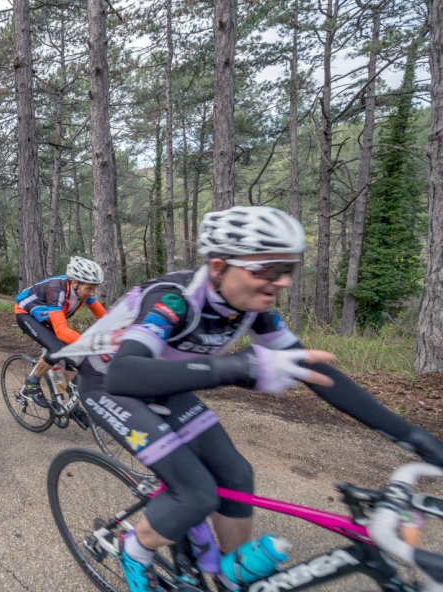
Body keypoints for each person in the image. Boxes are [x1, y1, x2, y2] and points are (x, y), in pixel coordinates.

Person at [58, 206, 443, 592]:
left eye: (288, 268)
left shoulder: (253, 311)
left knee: (237, 475)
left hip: (166, 386)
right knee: (194, 492)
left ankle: (230, 575)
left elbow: (319, 376)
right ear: (220, 266)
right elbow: (127, 374)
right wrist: (240, 367)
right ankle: (134, 548)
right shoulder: (173, 301)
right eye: (269, 269)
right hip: (111, 386)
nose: (283, 282)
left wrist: (414, 437)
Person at [14, 256, 107, 417]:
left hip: (47, 317)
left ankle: (71, 404)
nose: (92, 293)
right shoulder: (56, 290)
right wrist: (90, 345)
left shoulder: (84, 293)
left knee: (75, 357)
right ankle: (31, 383)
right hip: (26, 314)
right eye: (90, 288)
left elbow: (105, 318)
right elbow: (61, 331)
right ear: (75, 283)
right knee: (57, 349)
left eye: (95, 288)